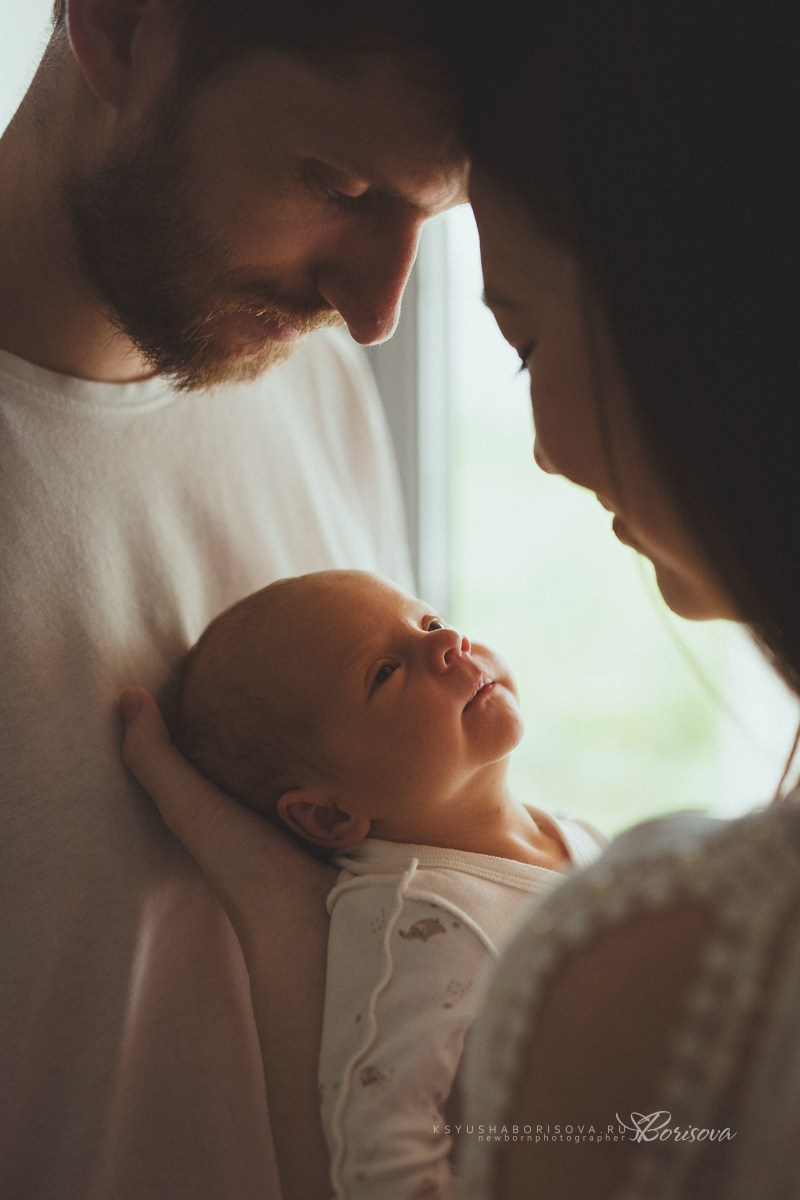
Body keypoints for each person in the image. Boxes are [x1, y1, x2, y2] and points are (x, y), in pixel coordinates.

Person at [120, 1, 800, 1197]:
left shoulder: (677, 953)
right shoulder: (594, 934)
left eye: (527, 343)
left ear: (692, 333)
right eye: (334, 180)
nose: (373, 316)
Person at [0, 2, 466, 1197]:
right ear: (111, 25)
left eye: (428, 221)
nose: (372, 311)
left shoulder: (304, 384)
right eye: (337, 181)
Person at [170, 568, 603, 1198]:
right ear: (330, 814)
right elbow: (378, 1163)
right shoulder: (421, 922)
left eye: (427, 621)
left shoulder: (574, 834)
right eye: (384, 672)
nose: (447, 640)